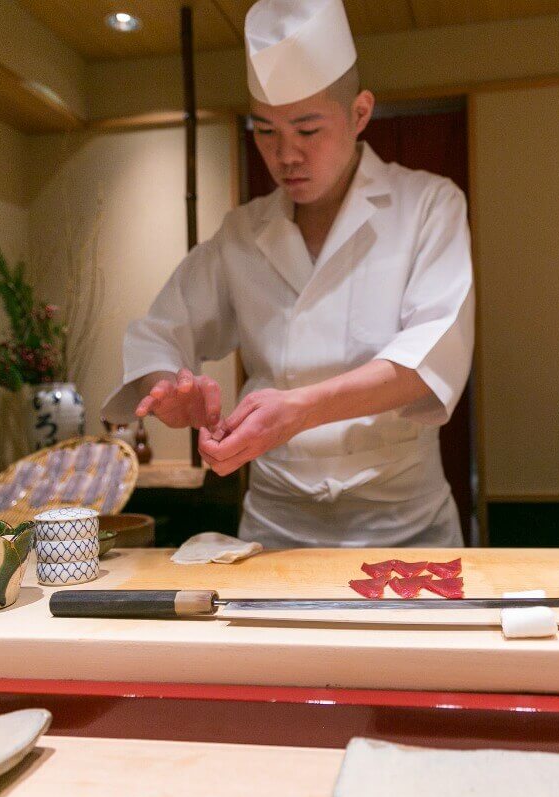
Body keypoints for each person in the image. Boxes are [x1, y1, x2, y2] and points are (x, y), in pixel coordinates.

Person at [102, 0, 474, 549]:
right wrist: (170, 386)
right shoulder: (242, 233)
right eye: (265, 131)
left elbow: (431, 358)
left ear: (360, 113)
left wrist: (299, 410)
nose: (286, 155)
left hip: (403, 525)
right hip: (277, 527)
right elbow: (161, 329)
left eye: (307, 129)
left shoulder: (427, 204)